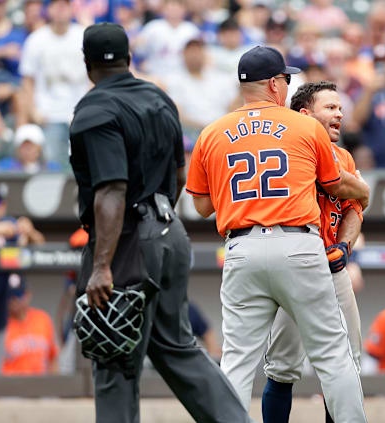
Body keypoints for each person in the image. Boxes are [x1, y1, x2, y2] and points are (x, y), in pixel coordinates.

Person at [68, 23, 250, 423]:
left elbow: (112, 190)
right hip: (169, 228)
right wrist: (160, 222)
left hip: (127, 239)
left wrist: (102, 265)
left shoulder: (94, 109)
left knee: (114, 353)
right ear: (130, 58)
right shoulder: (159, 97)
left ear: (87, 64)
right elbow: (180, 175)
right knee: (177, 346)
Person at [185, 46, 370, 421]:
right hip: (298, 243)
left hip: (241, 246)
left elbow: (201, 207)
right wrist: (363, 191)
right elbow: (335, 184)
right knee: (334, 355)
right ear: (273, 83)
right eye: (285, 79)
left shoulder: (211, 132)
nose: (287, 85)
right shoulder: (304, 126)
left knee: (237, 360)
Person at [259, 81, 364, 423]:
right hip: (295, 264)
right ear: (304, 114)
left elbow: (355, 208)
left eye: (340, 107)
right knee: (282, 367)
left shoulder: (344, 157)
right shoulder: (289, 153)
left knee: (347, 363)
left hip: (333, 269)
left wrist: (344, 246)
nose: (339, 113)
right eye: (330, 107)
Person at [0, 182, 44, 375]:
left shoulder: (10, 230)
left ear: (3, 205)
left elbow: (40, 245)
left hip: (0, 320)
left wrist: (29, 231)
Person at [19, 0, 89, 170]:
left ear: (71, 9)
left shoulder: (83, 36)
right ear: (48, 10)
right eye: (56, 5)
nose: (60, 10)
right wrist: (33, 110)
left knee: (84, 165)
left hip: (80, 113)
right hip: (49, 114)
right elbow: (27, 80)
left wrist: (89, 108)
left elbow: (94, 75)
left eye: (64, 5)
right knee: (53, 167)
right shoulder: (36, 39)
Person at [2, 275, 59, 375]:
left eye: (18, 295)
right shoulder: (1, 326)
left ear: (28, 295)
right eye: (10, 296)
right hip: (12, 386)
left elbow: (53, 358)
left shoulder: (42, 318)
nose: (14, 301)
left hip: (41, 385)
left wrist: (53, 385)